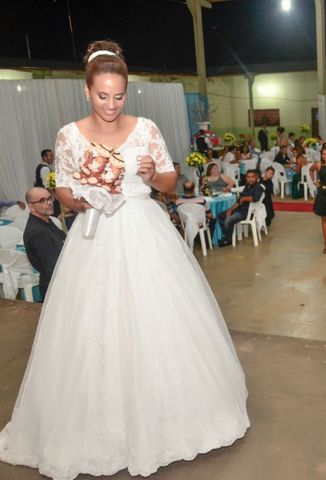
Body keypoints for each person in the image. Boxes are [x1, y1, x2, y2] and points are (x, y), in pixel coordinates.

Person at [0, 41, 250, 480]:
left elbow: (171, 182)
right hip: (94, 234)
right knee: (94, 327)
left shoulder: (146, 127)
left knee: (158, 319)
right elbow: (62, 191)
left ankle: (173, 419)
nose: (111, 104)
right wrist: (83, 196)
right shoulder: (69, 135)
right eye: (102, 95)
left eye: (118, 96)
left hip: (143, 230)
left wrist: (154, 175)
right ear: (87, 90)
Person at [21, 187, 66, 300]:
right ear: (31, 207)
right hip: (55, 287)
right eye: (42, 201)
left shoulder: (46, 221)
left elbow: (64, 240)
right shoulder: (38, 231)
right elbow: (52, 267)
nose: (49, 203)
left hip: (58, 282)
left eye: (49, 198)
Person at [217, 169, 262, 246]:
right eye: (248, 177)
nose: (250, 179)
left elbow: (255, 198)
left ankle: (228, 239)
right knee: (220, 215)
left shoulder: (258, 187)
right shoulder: (247, 187)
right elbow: (238, 201)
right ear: (246, 178)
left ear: (256, 177)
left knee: (228, 220)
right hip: (239, 210)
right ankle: (228, 236)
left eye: (252, 177)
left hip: (247, 212)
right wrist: (230, 209)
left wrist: (244, 198)